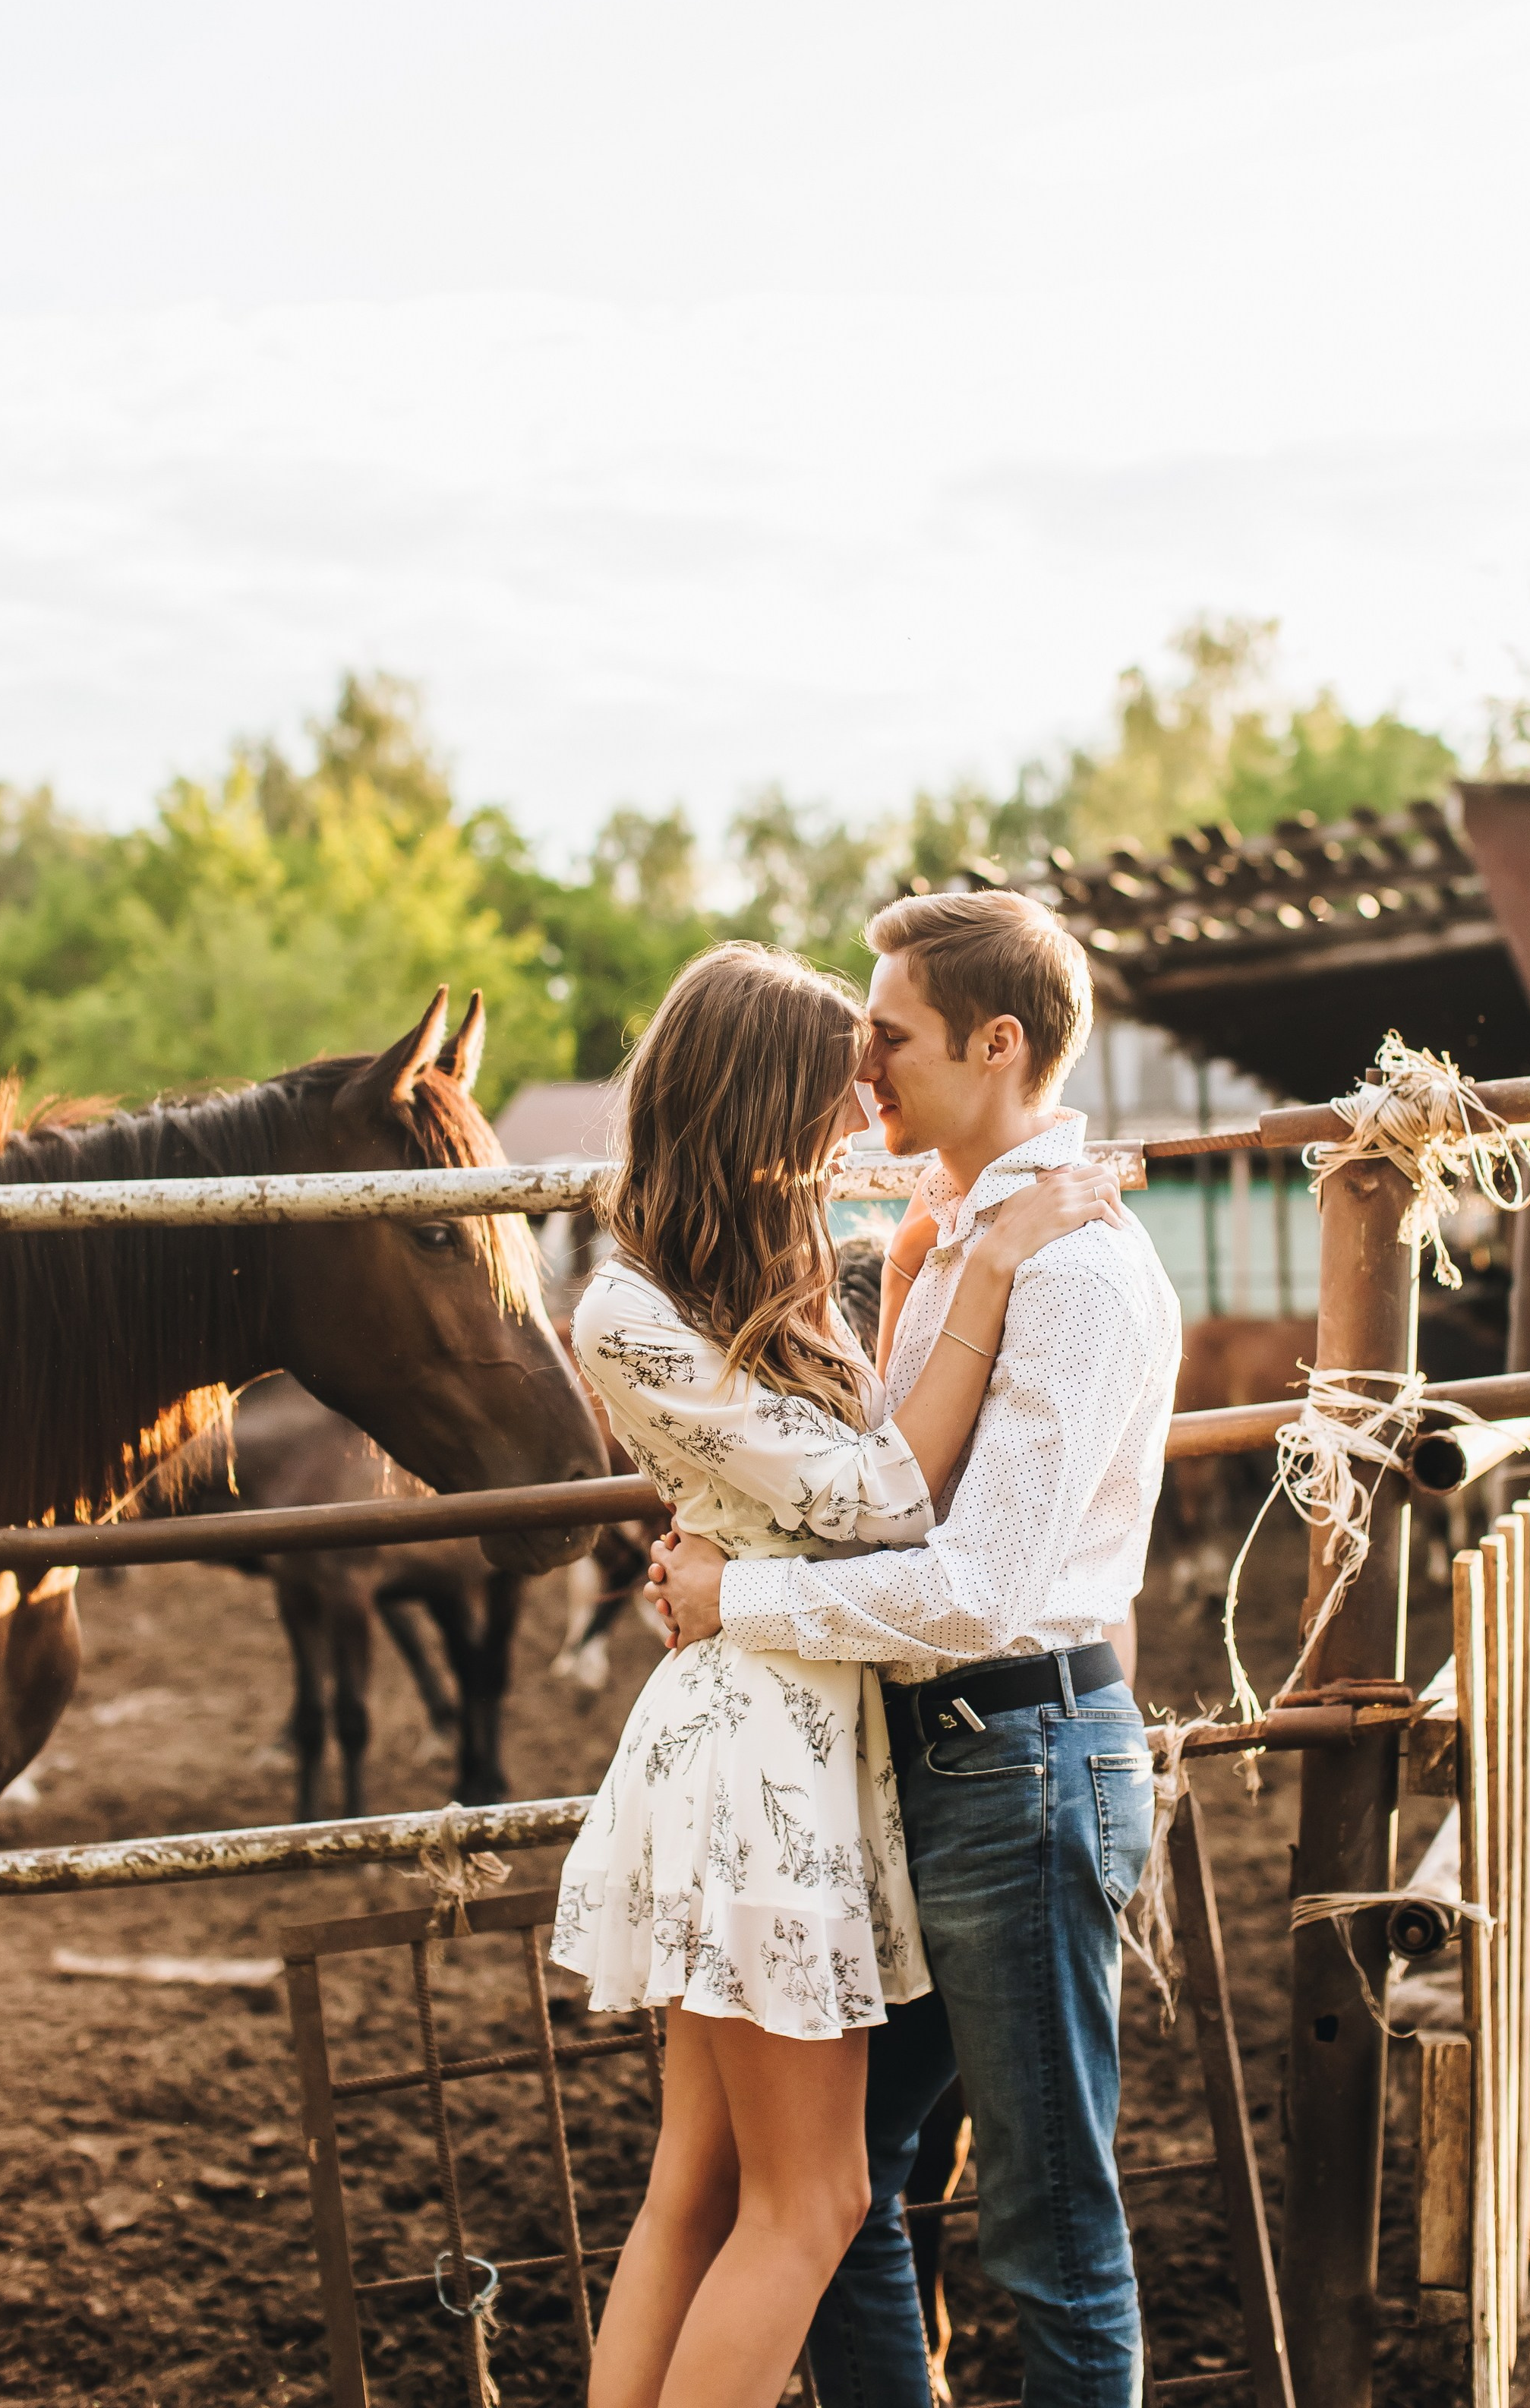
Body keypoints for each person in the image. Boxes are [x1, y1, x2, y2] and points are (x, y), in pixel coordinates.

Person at [550, 940, 1124, 2408]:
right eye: (835, 1081)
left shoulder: (775, 1274)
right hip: (762, 1750)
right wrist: (985, 1264)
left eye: (876, 1061)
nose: (861, 1101)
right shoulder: (625, 1308)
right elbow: (876, 1501)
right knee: (812, 2207)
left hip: (802, 1726)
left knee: (701, 2182)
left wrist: (926, 1269)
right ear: (759, 1099)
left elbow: (815, 1468)